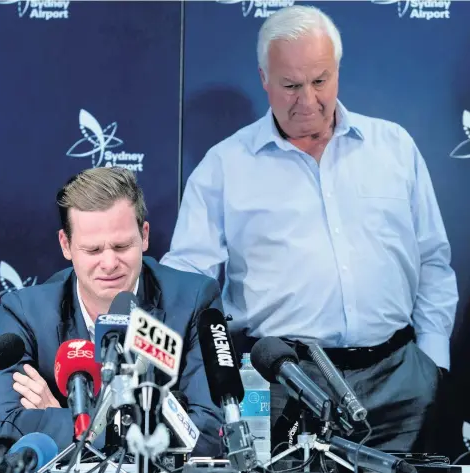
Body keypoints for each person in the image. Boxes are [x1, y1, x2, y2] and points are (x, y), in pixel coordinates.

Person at [160, 5, 457, 453]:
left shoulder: (394, 147)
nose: (308, 100)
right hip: (285, 388)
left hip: (402, 385)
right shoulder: (224, 167)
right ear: (264, 79)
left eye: (320, 81)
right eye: (291, 86)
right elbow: (187, 286)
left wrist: (433, 363)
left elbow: (433, 260)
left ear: (337, 70)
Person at [0, 167, 224, 457]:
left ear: (144, 236)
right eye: (93, 250)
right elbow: (4, 429)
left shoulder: (195, 300)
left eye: (122, 246)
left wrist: (70, 418)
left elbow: (208, 433)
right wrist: (127, 426)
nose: (109, 263)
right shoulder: (25, 313)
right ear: (66, 245)